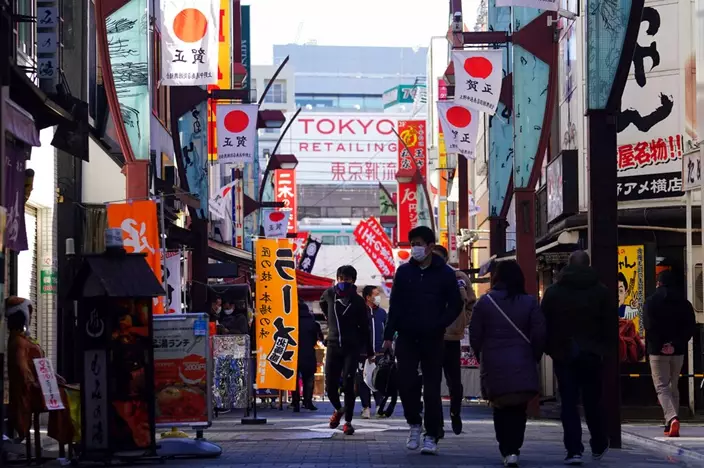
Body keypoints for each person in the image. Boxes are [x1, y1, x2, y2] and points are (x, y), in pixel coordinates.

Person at [383, 226, 463, 455]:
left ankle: (431, 435)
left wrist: (440, 323)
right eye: (412, 244)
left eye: (418, 244)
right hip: (406, 336)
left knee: (432, 389)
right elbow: (395, 305)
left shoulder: (445, 273)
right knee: (406, 383)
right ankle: (414, 423)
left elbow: (456, 304)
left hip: (433, 338)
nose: (414, 249)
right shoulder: (404, 272)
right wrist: (388, 336)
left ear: (430, 246)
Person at [470, 260, 545, 467]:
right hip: (522, 360)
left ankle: (506, 448)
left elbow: (475, 335)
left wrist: (481, 356)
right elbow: (539, 333)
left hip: (494, 362)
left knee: (500, 407)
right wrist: (534, 355)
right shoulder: (530, 302)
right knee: (519, 409)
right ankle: (514, 449)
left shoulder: (485, 302)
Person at [541, 251, 611, 465]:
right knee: (593, 401)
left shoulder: (554, 292)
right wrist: (603, 350)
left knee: (568, 403)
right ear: (588, 264)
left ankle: (573, 450)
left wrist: (551, 349)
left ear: (568, 265)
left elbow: (544, 324)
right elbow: (609, 325)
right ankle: (598, 443)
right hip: (592, 354)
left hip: (564, 353)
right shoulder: (601, 291)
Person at [6, 296, 74, 446]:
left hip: (39, 386)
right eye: (28, 313)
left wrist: (53, 376)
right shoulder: (18, 342)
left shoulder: (23, 339)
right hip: (32, 391)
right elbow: (23, 370)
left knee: (67, 391)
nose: (31, 317)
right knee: (63, 394)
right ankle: (64, 437)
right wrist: (36, 383)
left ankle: (66, 438)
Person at [319, 265, 374, 435]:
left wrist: (370, 351)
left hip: (351, 348)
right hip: (333, 346)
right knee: (330, 386)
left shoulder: (358, 302)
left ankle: (348, 422)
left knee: (348, 384)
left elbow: (365, 328)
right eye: (341, 279)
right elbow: (322, 303)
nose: (343, 282)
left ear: (353, 281)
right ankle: (339, 409)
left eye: (347, 279)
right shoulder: (329, 294)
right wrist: (328, 318)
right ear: (337, 279)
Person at [643, 269, 696, 437]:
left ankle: (672, 418)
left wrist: (661, 345)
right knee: (674, 385)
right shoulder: (685, 303)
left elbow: (649, 326)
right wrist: (675, 344)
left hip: (657, 352)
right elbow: (690, 327)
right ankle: (669, 424)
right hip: (678, 351)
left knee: (661, 386)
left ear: (658, 283)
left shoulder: (651, 302)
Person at [432, 244, 476, 435]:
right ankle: (436, 422)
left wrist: (463, 320)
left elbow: (471, 302)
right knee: (431, 382)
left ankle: (455, 413)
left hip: (452, 337)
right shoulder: (424, 277)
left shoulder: (458, 276)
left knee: (454, 382)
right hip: (431, 337)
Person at [356, 285, 387, 419]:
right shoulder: (360, 312)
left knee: (379, 379)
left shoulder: (382, 313)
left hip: (379, 353)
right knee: (363, 381)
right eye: (376, 294)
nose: (378, 296)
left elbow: (387, 330)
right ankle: (366, 407)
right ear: (368, 297)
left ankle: (379, 406)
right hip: (363, 354)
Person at [292, 299, 324, 412]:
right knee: (309, 379)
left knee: (294, 380)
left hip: (294, 354)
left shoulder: (292, 322)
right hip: (309, 353)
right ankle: (308, 402)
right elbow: (319, 338)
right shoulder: (313, 323)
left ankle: (295, 402)